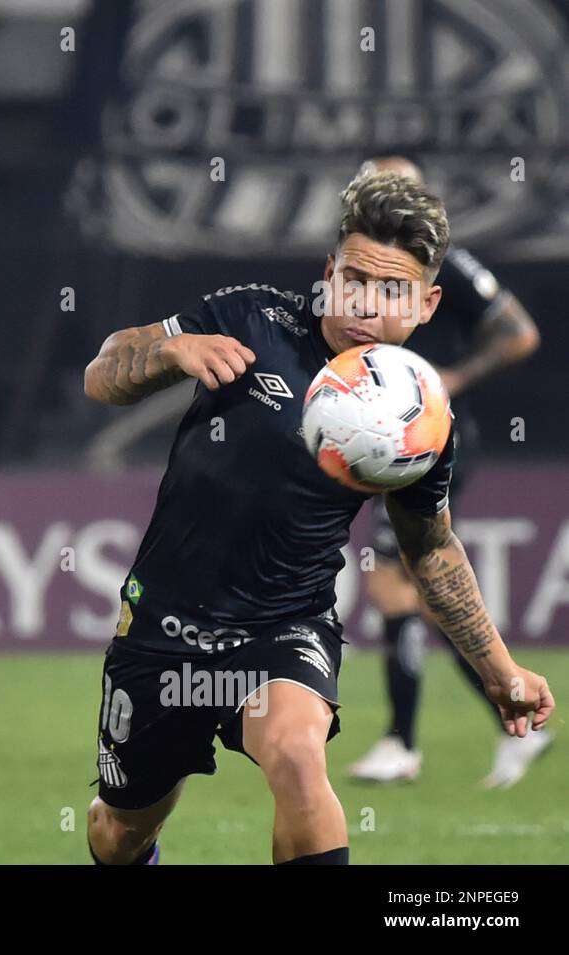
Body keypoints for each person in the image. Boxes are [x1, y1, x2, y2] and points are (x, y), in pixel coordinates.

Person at [81, 170, 554, 865]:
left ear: (427, 304)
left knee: (299, 761)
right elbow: (103, 372)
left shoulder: (417, 415)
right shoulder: (252, 317)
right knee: (119, 831)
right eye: (354, 277)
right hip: (162, 629)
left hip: (284, 624)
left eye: (393, 290)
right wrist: (168, 352)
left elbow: (432, 549)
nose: (366, 302)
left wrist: (498, 666)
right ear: (329, 271)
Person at [346, 157, 549, 788]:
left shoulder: (443, 264)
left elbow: (519, 333)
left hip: (425, 437)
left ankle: (402, 743)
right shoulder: (363, 265)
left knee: (392, 583)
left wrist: (452, 379)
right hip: (383, 436)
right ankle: (514, 716)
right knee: (416, 597)